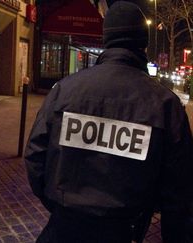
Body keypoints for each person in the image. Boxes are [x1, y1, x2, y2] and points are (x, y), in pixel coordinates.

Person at [24, 2, 193, 243]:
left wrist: (60, 205)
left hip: (62, 228)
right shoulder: (165, 105)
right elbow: (179, 190)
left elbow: (35, 157)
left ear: (106, 39)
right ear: (142, 43)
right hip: (123, 230)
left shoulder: (64, 90)